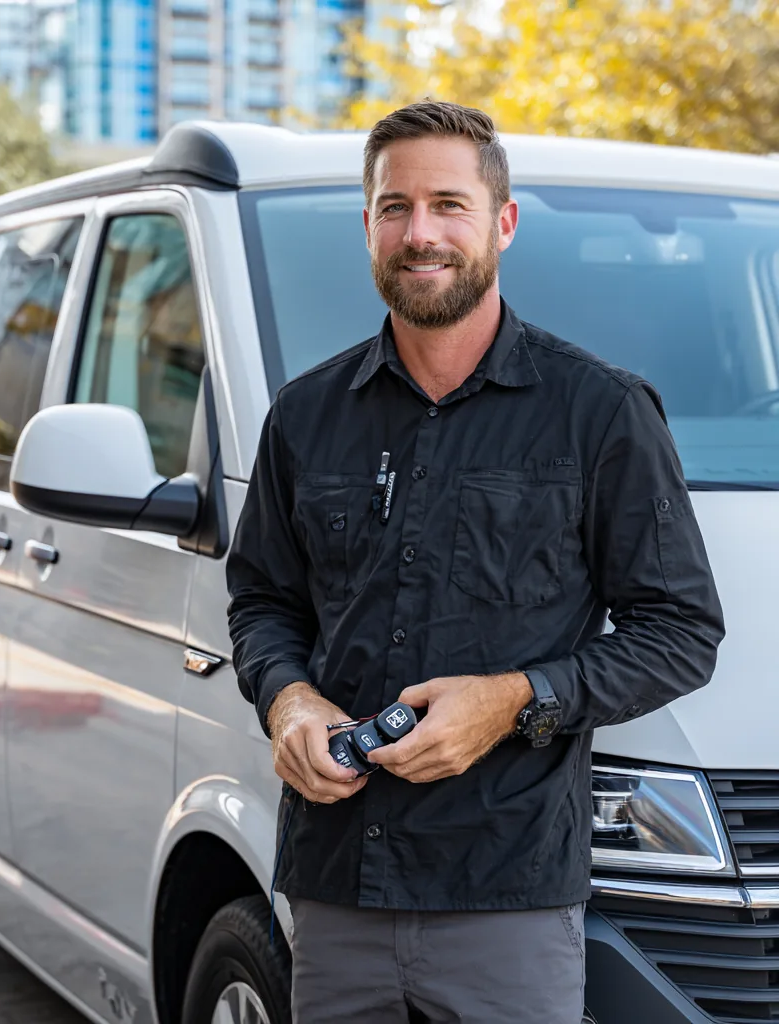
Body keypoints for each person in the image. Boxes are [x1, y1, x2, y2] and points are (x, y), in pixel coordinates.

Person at [225, 100, 725, 1024]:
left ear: (503, 223)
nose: (421, 234)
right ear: (367, 226)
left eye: (449, 205)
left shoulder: (600, 412)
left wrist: (511, 702)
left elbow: (682, 632)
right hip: (338, 882)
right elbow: (261, 599)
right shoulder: (303, 415)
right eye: (395, 207)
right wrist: (288, 699)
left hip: (507, 894)